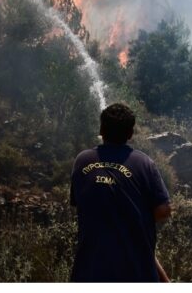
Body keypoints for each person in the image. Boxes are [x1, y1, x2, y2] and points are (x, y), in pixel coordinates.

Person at [70, 103, 172, 282]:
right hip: (135, 274)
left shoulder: (82, 161)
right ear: (131, 134)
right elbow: (163, 211)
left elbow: (81, 202)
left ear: (101, 129)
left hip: (88, 272)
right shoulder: (144, 163)